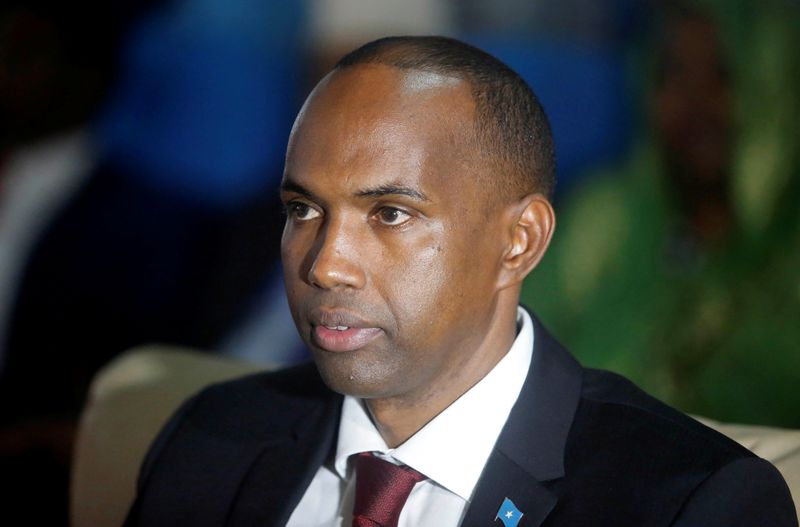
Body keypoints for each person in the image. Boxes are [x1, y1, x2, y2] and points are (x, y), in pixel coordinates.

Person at [124, 36, 796, 526]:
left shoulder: (692, 501)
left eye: (390, 213)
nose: (324, 263)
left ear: (519, 240)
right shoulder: (209, 437)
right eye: (304, 209)